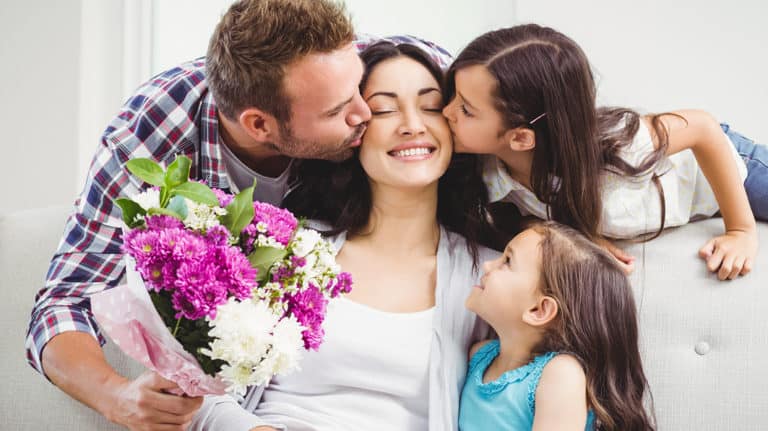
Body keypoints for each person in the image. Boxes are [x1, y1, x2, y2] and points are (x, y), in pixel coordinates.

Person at [24, 1, 452, 429]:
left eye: (362, 89)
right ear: (259, 126)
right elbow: (66, 299)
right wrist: (115, 395)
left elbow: (497, 100)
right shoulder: (153, 130)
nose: (364, 113)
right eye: (337, 111)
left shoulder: (360, 63)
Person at [190, 41, 499, 431]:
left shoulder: (490, 274)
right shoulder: (289, 248)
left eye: (431, 106)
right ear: (355, 132)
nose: (412, 124)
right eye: (385, 109)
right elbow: (202, 393)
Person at [442, 24, 765, 280]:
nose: (446, 112)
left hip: (733, 168)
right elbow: (523, 214)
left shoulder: (620, 145)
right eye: (453, 96)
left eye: (466, 110)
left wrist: (741, 230)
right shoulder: (489, 173)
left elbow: (702, 127)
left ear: (522, 138)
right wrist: (573, 236)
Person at [459, 221, 655, 431]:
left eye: (507, 260)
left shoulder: (561, 375)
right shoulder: (479, 356)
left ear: (538, 310)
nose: (487, 265)